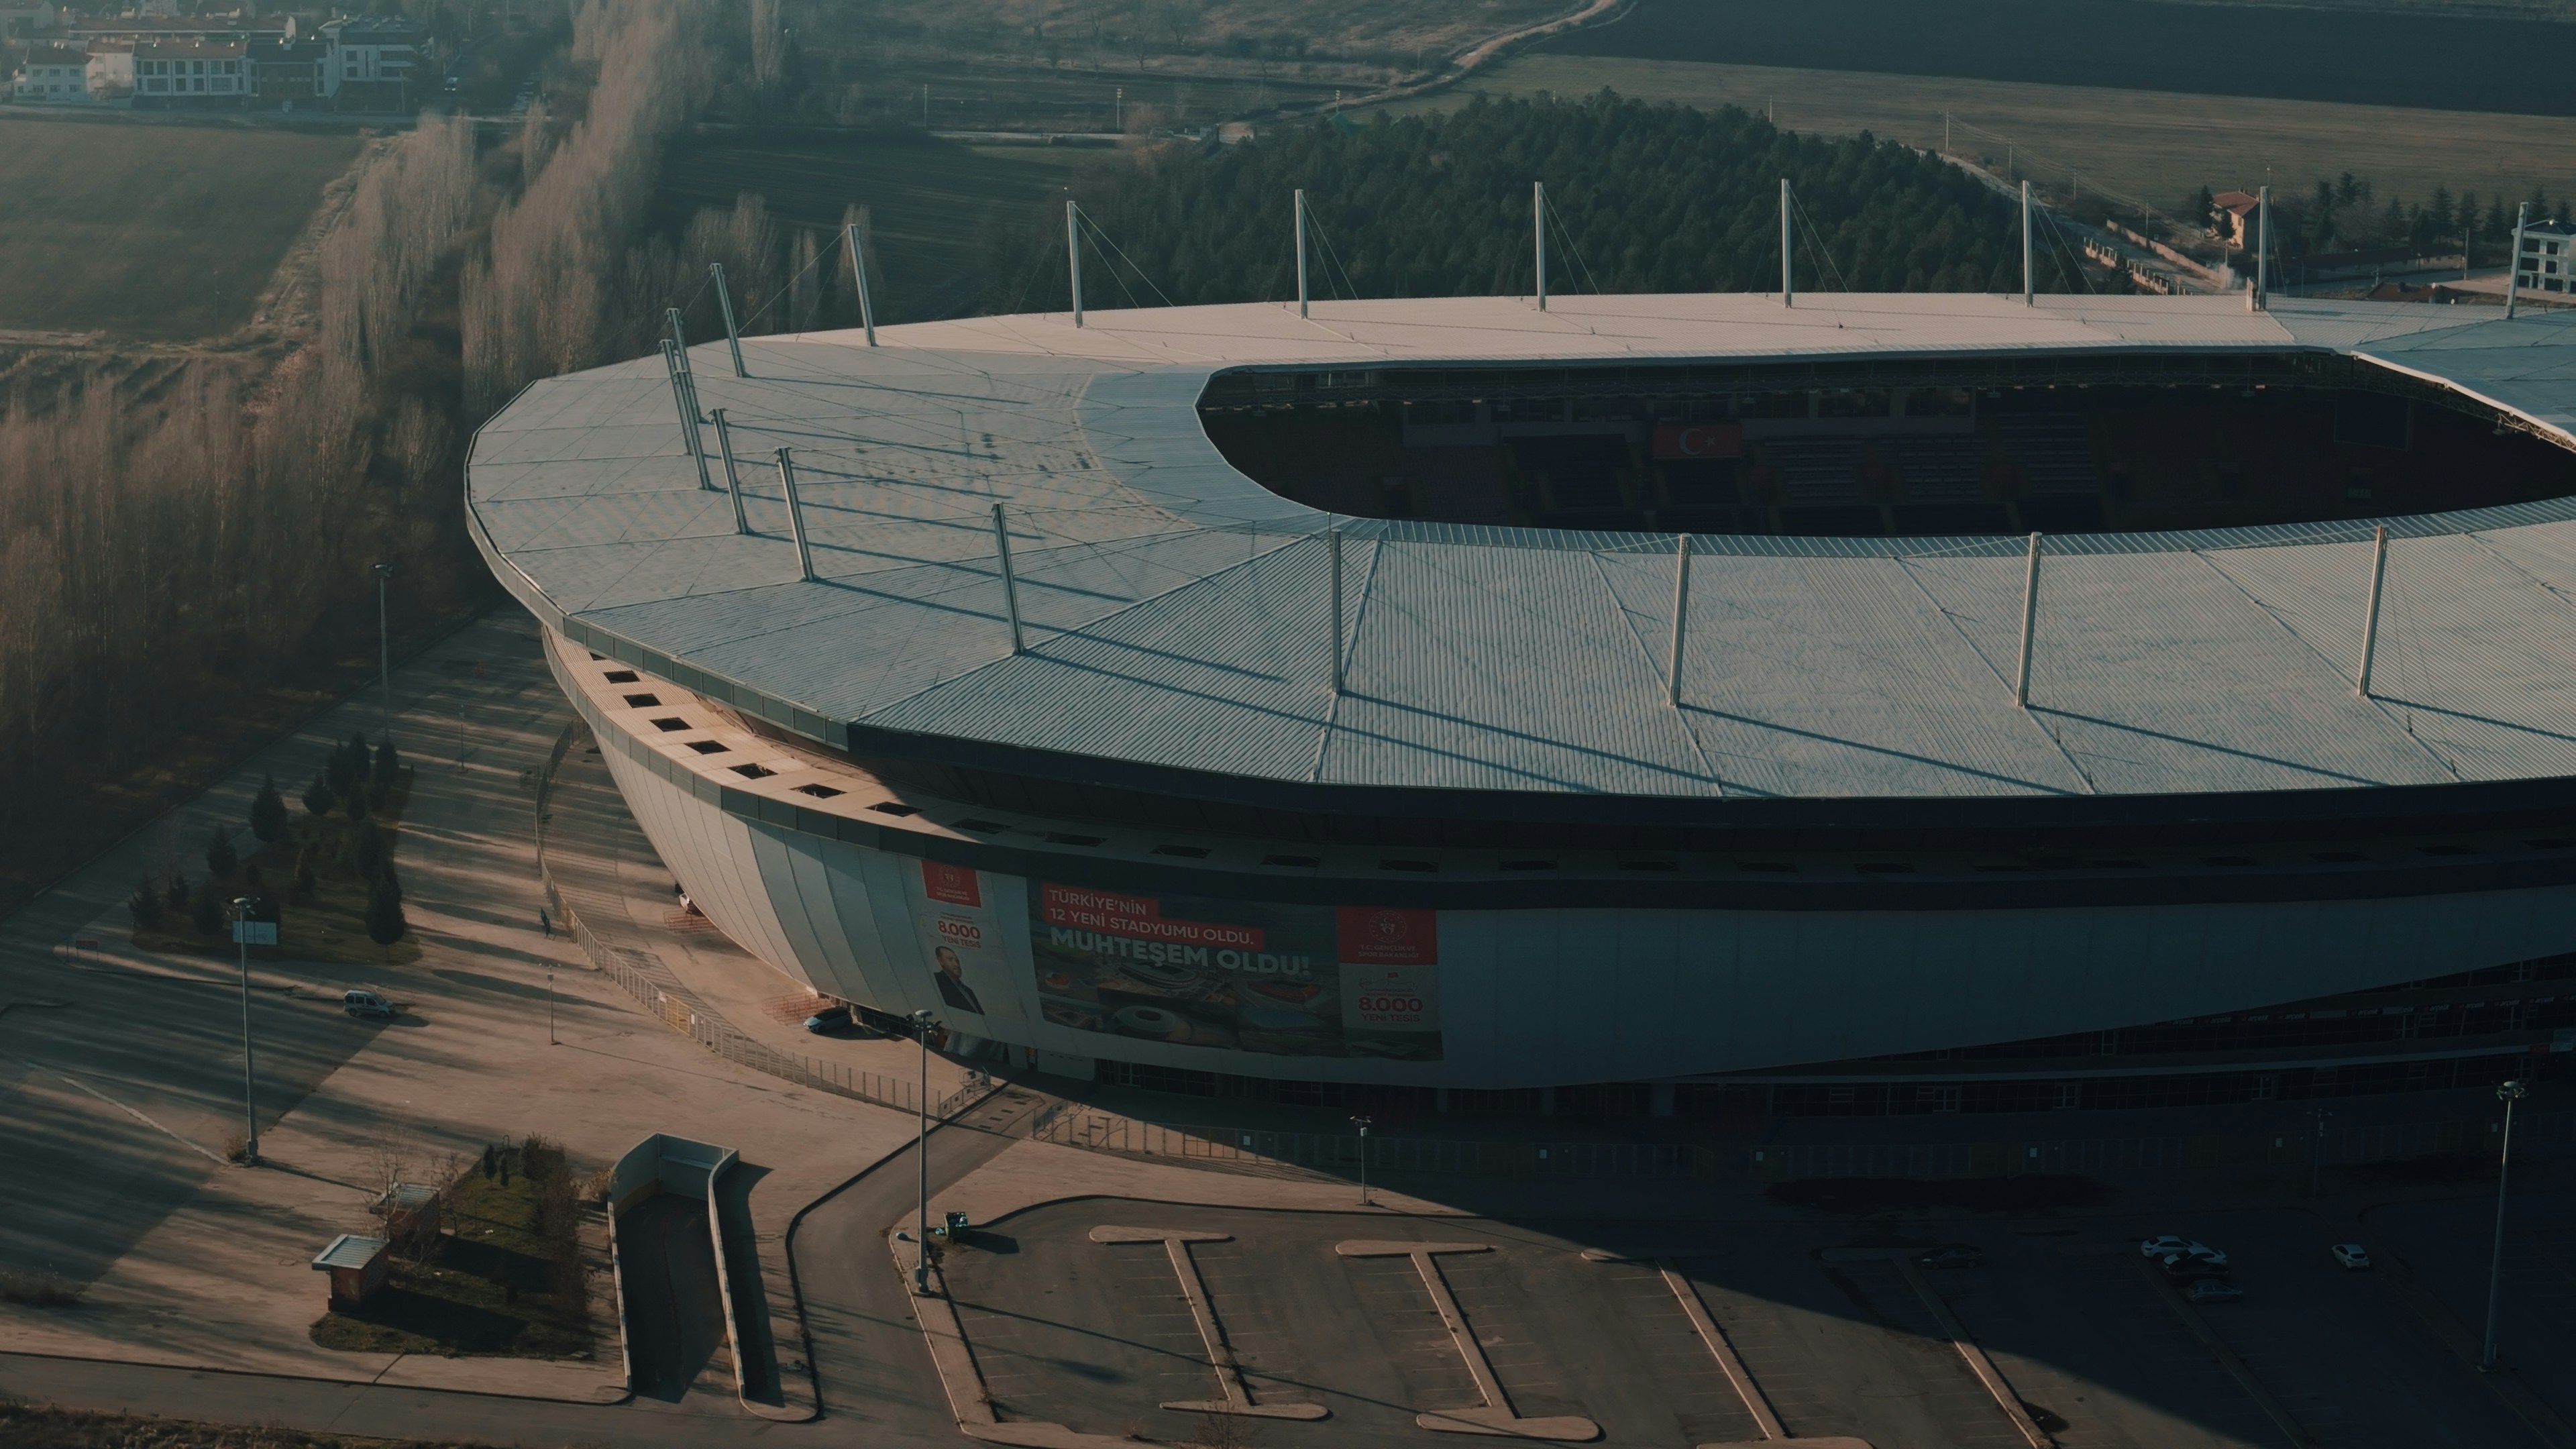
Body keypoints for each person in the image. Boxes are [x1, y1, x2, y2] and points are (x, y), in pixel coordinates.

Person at [932, 944, 984, 1016]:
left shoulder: (968, 991)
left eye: (957, 961)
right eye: (950, 959)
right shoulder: (937, 981)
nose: (956, 964)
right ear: (941, 961)